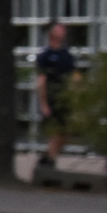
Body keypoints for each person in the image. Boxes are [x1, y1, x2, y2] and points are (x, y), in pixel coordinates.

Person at [35, 21, 79, 168]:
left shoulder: (67, 55)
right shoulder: (45, 56)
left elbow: (73, 75)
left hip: (64, 97)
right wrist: (44, 103)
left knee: (66, 133)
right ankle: (51, 161)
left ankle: (48, 156)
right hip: (52, 96)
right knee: (55, 130)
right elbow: (41, 81)